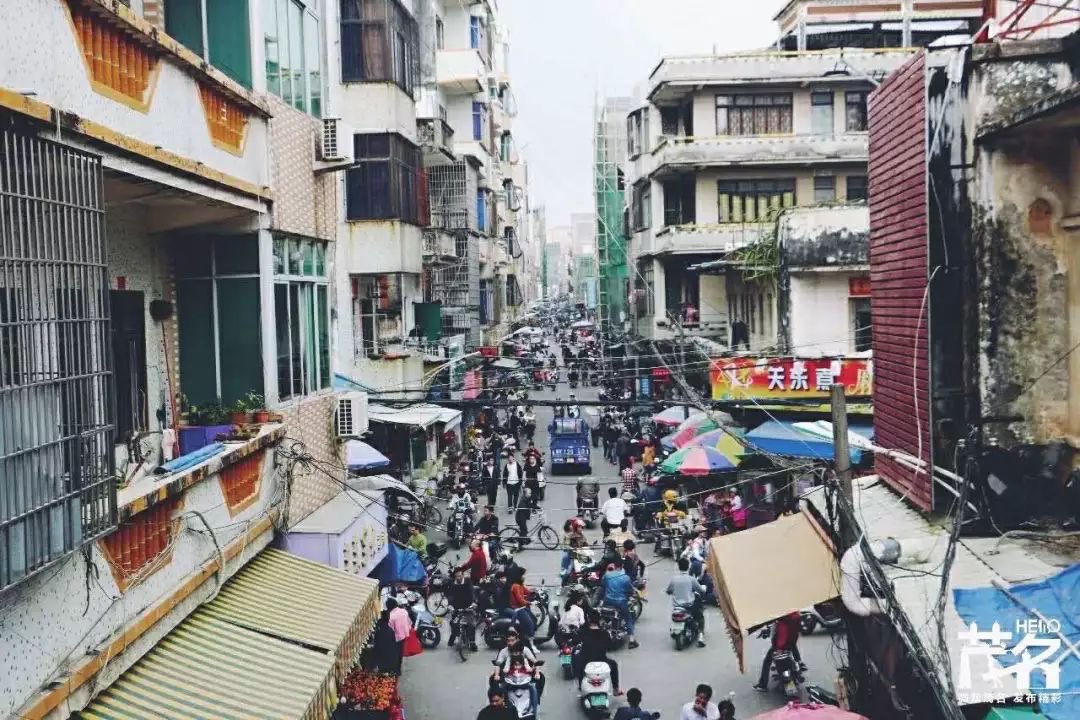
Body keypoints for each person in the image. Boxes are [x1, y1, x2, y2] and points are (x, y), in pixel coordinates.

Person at [574, 609, 622, 696]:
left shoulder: (583, 632)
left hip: (587, 662)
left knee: (578, 662)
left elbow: (575, 641)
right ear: (599, 620)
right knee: (614, 664)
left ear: (588, 619)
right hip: (602, 662)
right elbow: (611, 646)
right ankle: (616, 689)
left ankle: (581, 686)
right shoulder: (605, 633)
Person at [754, 611, 803, 692]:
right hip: (790, 643)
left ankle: (762, 685)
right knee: (792, 652)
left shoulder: (782, 621)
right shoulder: (795, 616)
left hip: (780, 646)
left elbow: (780, 637)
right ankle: (799, 663)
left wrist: (778, 649)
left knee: (767, 661)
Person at [666, 557, 707, 648]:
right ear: (688, 567)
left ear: (679, 567)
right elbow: (700, 590)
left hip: (677, 607)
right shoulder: (691, 579)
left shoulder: (674, 579)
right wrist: (703, 589)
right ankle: (701, 637)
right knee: (700, 617)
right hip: (689, 606)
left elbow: (668, 591)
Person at [601, 561, 638, 649]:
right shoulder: (626, 578)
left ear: (614, 566)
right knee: (629, 618)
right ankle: (632, 641)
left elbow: (603, 585)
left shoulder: (607, 575)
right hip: (621, 602)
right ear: (621, 567)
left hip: (607, 600)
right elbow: (630, 590)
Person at [446, 568, 477, 650]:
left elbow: (472, 592)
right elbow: (450, 595)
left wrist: (473, 602)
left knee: (471, 624)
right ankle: (453, 636)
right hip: (457, 608)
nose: (458, 578)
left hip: (468, 607)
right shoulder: (452, 584)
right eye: (456, 576)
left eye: (460, 576)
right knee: (453, 623)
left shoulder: (468, 581)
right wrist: (450, 605)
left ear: (463, 575)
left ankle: (472, 642)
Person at [507, 567, 536, 638]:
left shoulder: (520, 585)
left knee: (534, 619)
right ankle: (529, 638)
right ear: (519, 575)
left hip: (522, 607)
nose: (524, 576)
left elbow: (526, 591)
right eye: (523, 575)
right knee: (530, 624)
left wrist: (534, 591)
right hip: (518, 609)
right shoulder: (516, 586)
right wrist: (529, 603)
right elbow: (520, 600)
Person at [385, 597, 411, 675]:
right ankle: (398, 669)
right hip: (404, 635)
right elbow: (409, 622)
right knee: (400, 653)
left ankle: (394, 670)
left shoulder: (391, 617)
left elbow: (390, 630)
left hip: (396, 638)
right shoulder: (404, 611)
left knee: (394, 653)